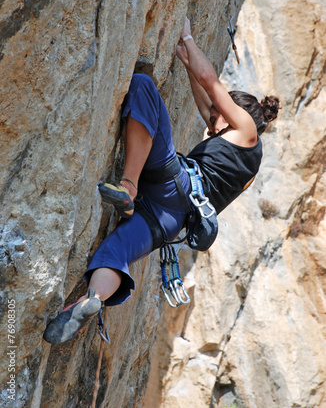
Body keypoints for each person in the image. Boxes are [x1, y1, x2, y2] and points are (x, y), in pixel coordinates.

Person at [43, 18, 279, 344]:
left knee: (143, 87)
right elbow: (208, 103)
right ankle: (91, 300)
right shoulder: (246, 163)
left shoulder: (247, 131)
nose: (213, 119)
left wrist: (188, 36)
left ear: (236, 113)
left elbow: (210, 82)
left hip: (171, 183)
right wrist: (186, 61)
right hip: (171, 221)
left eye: (220, 115)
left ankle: (128, 184)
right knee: (116, 253)